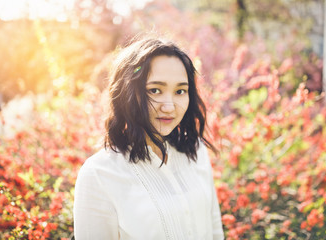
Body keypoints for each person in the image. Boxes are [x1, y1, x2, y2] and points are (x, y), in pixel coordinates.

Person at [73, 36, 224, 240]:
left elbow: (214, 230)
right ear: (128, 92)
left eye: (180, 91)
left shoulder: (196, 151)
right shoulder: (99, 174)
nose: (169, 106)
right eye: (155, 90)